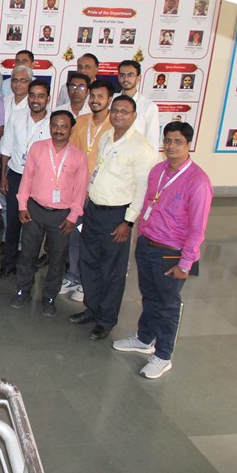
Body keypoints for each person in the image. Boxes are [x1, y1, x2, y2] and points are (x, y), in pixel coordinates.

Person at [113, 122, 212, 379]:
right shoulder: (158, 170)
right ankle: (144, 339)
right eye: (167, 140)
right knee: (149, 295)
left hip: (173, 252)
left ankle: (163, 356)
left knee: (168, 305)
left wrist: (186, 263)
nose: (171, 146)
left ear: (188, 144)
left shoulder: (198, 182)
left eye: (177, 141)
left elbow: (197, 228)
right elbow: (149, 202)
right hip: (147, 243)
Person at [70, 95, 154, 341]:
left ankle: (106, 320)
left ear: (134, 116)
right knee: (89, 262)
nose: (118, 115)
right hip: (94, 209)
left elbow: (143, 189)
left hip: (117, 216)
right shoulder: (108, 136)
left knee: (112, 270)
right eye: (115, 110)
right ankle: (92, 308)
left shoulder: (141, 148)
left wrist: (128, 222)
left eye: (124, 112)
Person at [9, 110, 89, 316]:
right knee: (27, 254)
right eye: (55, 125)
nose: (58, 130)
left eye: (64, 126)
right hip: (34, 210)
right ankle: (23, 290)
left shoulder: (79, 156)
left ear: (71, 129)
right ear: (50, 126)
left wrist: (73, 217)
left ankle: (49, 297)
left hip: (62, 216)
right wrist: (22, 205)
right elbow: (27, 178)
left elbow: (80, 190)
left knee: (57, 259)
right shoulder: (37, 148)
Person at [0, 80, 52, 280]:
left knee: (34, 227)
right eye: (32, 95)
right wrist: (3, 175)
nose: (35, 100)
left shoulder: (53, 121)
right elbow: (6, 146)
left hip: (41, 180)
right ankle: (8, 264)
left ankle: (27, 266)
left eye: (40, 96)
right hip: (16, 175)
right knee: (12, 222)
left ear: (48, 98)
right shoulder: (17, 116)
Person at [64, 79, 115, 301]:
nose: (95, 100)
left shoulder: (115, 126)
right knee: (74, 235)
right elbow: (71, 154)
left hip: (100, 194)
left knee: (93, 239)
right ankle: (73, 275)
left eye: (100, 97)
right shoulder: (81, 122)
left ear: (109, 99)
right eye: (92, 96)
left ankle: (88, 282)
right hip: (77, 190)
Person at [116, 60, 161, 150]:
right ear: (118, 77)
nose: (126, 79)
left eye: (130, 75)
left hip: (136, 155)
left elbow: (152, 142)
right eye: (122, 75)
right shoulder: (110, 102)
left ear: (138, 78)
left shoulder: (149, 107)